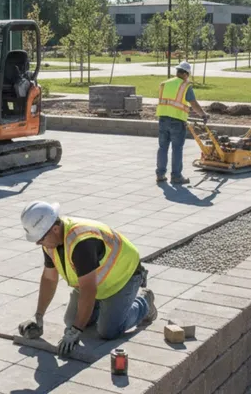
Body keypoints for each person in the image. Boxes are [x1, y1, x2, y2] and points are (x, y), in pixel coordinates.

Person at [17, 201, 157, 357]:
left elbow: (88, 290)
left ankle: (145, 302)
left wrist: (77, 331)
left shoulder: (81, 242)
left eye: (40, 238)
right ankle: (100, 308)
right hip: (96, 282)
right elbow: (49, 279)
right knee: (71, 321)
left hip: (123, 277)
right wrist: (39, 316)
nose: (37, 243)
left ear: (55, 229)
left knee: (108, 331)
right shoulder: (50, 240)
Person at [155, 61, 208, 184]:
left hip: (163, 119)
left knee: (163, 147)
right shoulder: (185, 86)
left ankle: (160, 174)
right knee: (177, 149)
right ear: (185, 74)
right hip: (177, 121)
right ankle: (176, 176)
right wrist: (203, 115)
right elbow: (193, 103)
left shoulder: (164, 84)